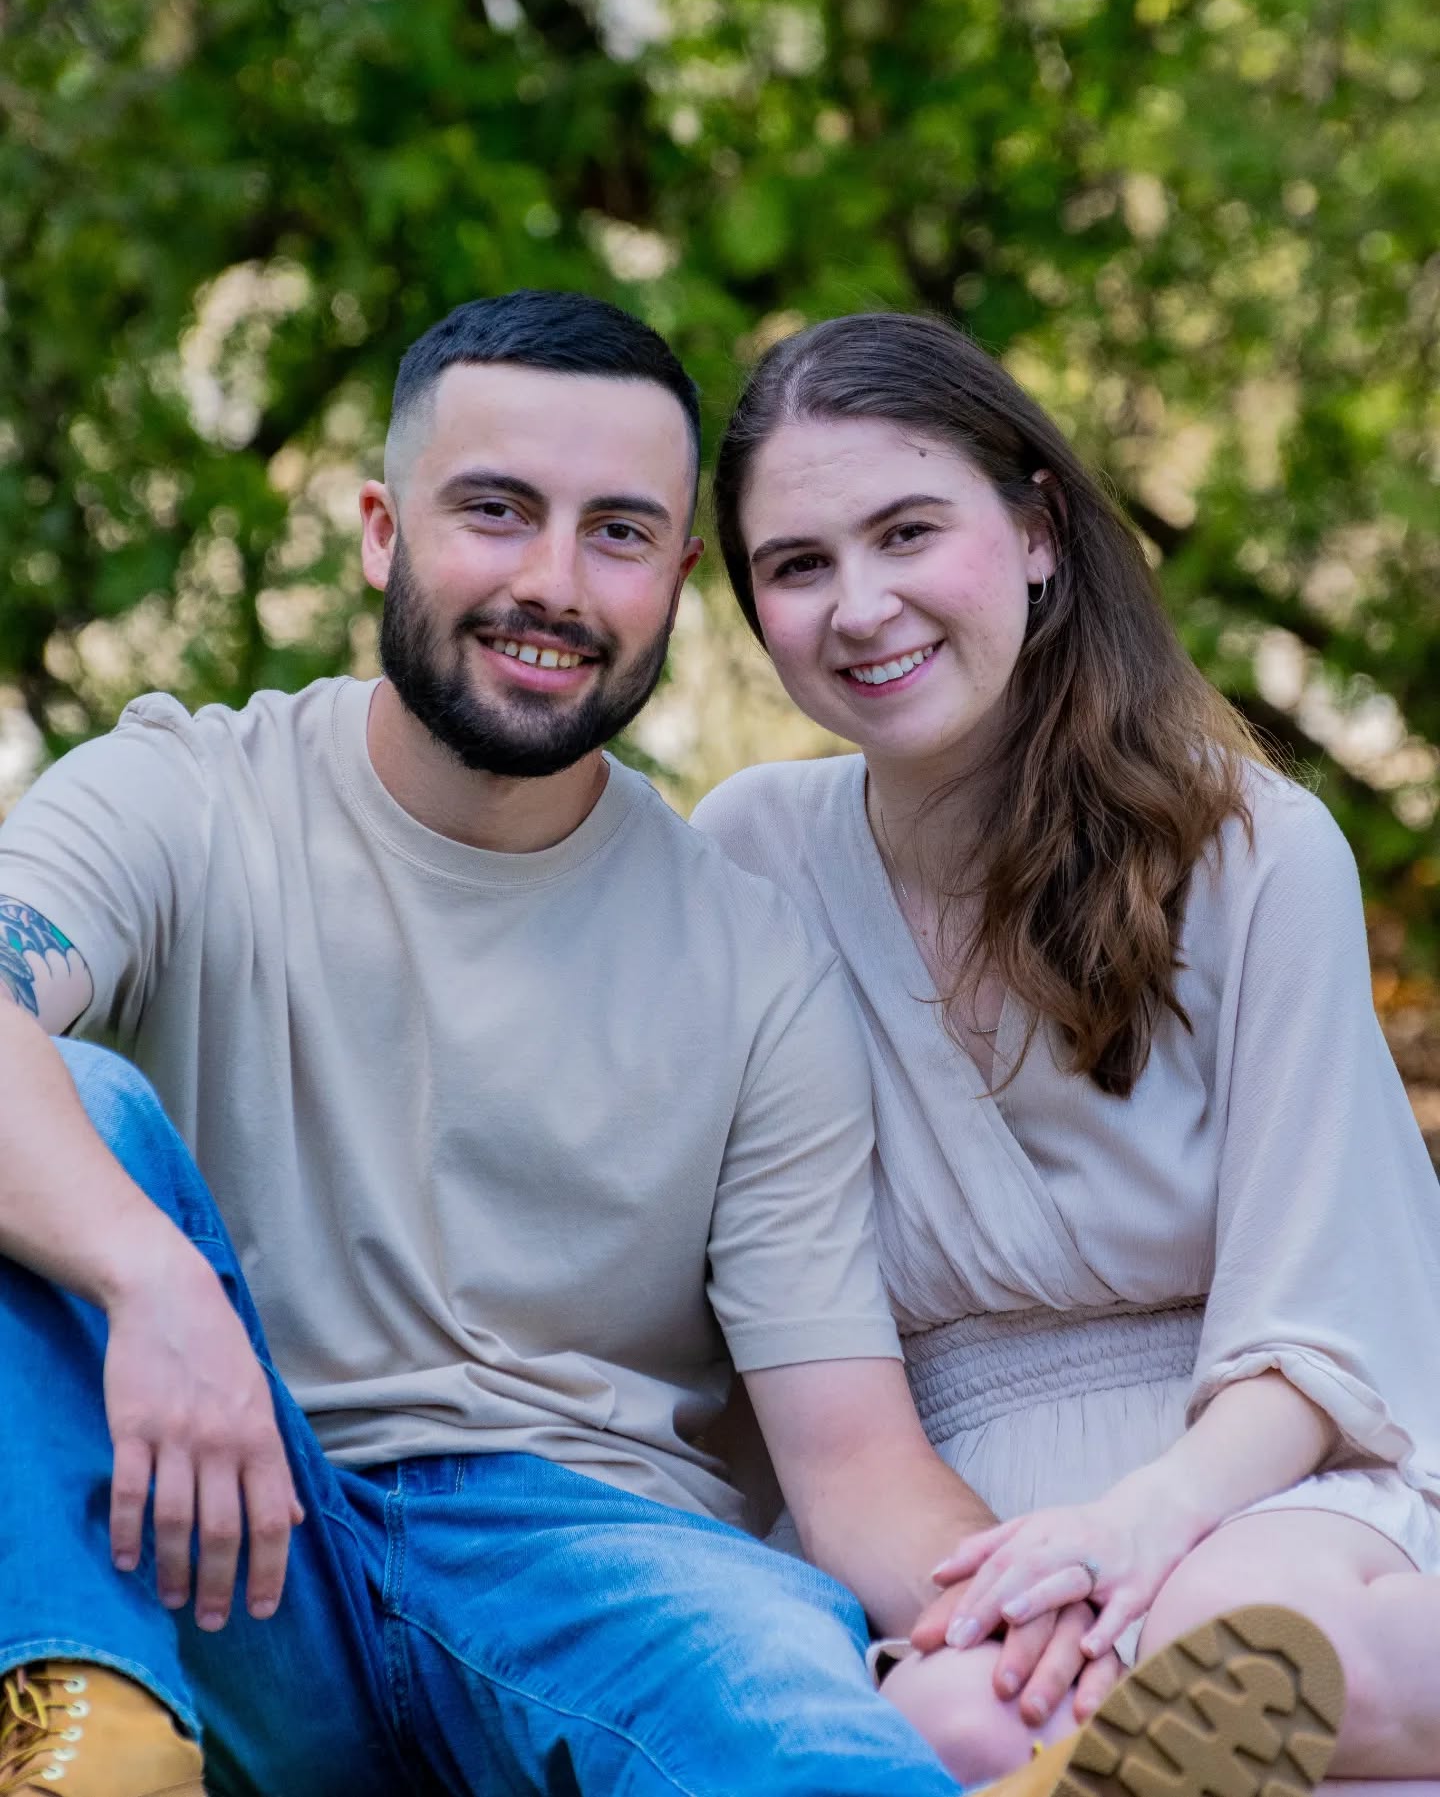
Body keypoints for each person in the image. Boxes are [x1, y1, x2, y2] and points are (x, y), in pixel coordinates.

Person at [0, 290, 1340, 1797]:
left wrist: (1031, 1630)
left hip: (594, 1557)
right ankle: (87, 1753)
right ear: (382, 530)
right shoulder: (185, 797)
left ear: (684, 579)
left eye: (619, 532)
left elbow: (849, 1467)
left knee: (785, 1707)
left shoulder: (753, 949)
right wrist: (150, 1273)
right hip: (238, 1543)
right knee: (76, 1111)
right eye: (496, 512)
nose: (553, 582)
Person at [693, 308, 1440, 1786]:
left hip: (1259, 1468)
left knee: (1233, 1636)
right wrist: (1019, 1588)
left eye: (908, 531)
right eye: (798, 565)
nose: (861, 606)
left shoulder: (1251, 848)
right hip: (949, 1507)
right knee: (954, 1722)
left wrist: (1141, 1532)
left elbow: (1328, 1310)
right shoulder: (745, 864)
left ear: (1038, 529)